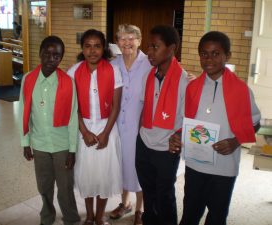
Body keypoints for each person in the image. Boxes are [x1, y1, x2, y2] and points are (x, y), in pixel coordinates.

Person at [169, 31, 261, 225]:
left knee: (217, 216)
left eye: (215, 53)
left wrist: (236, 142)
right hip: (195, 164)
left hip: (224, 166)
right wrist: (177, 136)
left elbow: (255, 123)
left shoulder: (241, 90)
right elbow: (186, 122)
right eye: (204, 54)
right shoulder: (192, 88)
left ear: (227, 55)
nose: (209, 59)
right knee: (190, 213)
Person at [19, 35, 80, 225]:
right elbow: (24, 113)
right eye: (47, 54)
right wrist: (25, 143)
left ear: (61, 58)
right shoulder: (28, 80)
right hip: (40, 144)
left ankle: (70, 218)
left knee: (65, 186)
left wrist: (72, 149)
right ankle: (47, 216)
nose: (51, 59)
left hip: (62, 145)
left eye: (56, 56)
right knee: (44, 186)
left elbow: (72, 117)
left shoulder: (68, 82)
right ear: (40, 54)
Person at [67, 29, 123, 225]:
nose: (92, 51)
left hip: (107, 127)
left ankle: (99, 217)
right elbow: (72, 106)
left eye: (97, 46)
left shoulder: (113, 70)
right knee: (87, 175)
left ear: (103, 48)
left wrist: (106, 133)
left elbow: (116, 105)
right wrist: (84, 131)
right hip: (84, 129)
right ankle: (89, 215)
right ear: (82, 48)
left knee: (103, 176)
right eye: (88, 46)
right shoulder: (73, 72)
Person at [135, 25, 190, 225]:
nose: (149, 52)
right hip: (144, 144)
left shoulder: (184, 81)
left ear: (171, 49)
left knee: (164, 195)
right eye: (149, 47)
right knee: (148, 192)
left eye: (155, 47)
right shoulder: (148, 76)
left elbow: (187, 119)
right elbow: (144, 107)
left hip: (166, 148)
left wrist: (179, 136)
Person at [109, 24, 152, 225]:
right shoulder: (112, 64)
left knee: (139, 167)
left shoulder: (149, 64)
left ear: (139, 41)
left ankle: (140, 209)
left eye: (131, 38)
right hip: (116, 125)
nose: (126, 43)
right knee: (122, 164)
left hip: (139, 126)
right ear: (117, 42)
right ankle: (125, 203)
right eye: (122, 38)